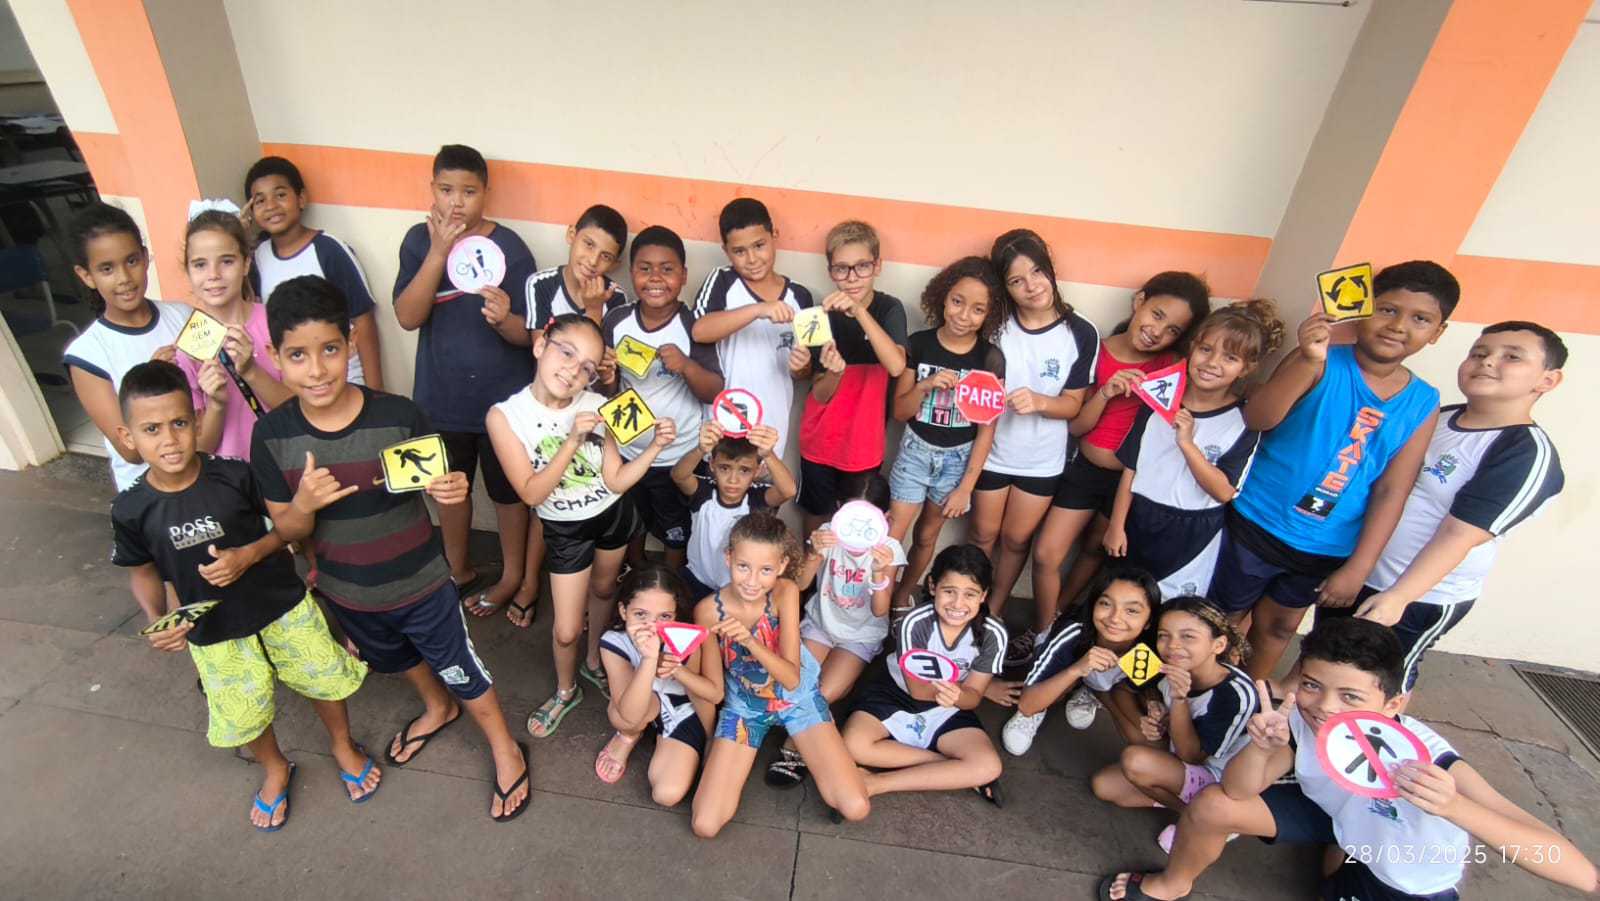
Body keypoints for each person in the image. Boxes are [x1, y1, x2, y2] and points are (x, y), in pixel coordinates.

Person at [250, 275, 530, 822]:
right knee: (395, 658)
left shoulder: (398, 416)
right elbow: (286, 529)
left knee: (459, 665)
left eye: (330, 349)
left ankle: (504, 746)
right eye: (298, 355)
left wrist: (451, 490)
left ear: (351, 343)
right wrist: (304, 504)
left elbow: (440, 484)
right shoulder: (273, 437)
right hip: (348, 592)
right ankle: (437, 708)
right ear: (275, 356)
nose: (317, 369)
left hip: (422, 582)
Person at [1098, 617, 1600, 901]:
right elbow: (1235, 791)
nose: (1326, 708)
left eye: (1351, 697)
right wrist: (1262, 746)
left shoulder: (1430, 758)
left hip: (1406, 880)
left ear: (1393, 705)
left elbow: (1575, 869)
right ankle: (1172, 885)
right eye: (1313, 685)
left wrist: (1454, 807)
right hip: (1340, 821)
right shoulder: (1300, 718)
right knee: (1212, 806)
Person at [110, 360, 375, 831]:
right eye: (151, 429)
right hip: (214, 629)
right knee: (244, 709)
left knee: (321, 676)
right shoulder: (130, 509)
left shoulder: (235, 475)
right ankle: (274, 766)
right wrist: (157, 619)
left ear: (196, 420)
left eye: (178, 423)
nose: (169, 440)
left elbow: (287, 529)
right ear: (127, 436)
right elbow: (142, 571)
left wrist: (250, 554)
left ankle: (342, 743)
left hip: (281, 603)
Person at [1220, 261, 1454, 680]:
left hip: (1325, 547)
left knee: (1280, 628)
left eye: (1420, 319)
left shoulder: (1424, 401)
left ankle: (1249, 699)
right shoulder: (1319, 361)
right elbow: (1258, 418)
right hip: (1255, 522)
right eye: (1387, 309)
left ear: (1438, 332)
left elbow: (1393, 489)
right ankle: (1200, 695)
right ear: (1363, 308)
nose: (1398, 325)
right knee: (1222, 618)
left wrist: (1359, 567)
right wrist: (1307, 359)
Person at [1332, 321, 1566, 692]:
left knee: (1378, 684)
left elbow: (1459, 534)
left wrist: (1399, 597)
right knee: (1329, 660)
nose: (1487, 361)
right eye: (1479, 353)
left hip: (1417, 596)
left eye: (1512, 357)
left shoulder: (1525, 453)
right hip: (1360, 569)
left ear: (1548, 380)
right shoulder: (1437, 416)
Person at [487, 313, 677, 731]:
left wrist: (654, 448)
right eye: (567, 353)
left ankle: (593, 660)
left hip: (612, 515)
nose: (574, 370)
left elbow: (616, 480)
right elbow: (532, 494)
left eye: (588, 367)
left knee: (605, 589)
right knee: (566, 629)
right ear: (541, 345)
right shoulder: (504, 417)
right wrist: (572, 440)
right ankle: (565, 690)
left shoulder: (596, 404)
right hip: (565, 529)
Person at [1029, 272, 1210, 655]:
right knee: (1046, 553)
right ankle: (1044, 634)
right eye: (1157, 314)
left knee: (1096, 553)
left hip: (1133, 483)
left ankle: (1064, 619)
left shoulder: (1173, 366)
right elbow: (1077, 426)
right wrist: (1106, 393)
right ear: (1139, 301)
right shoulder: (1097, 347)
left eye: (1173, 329)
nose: (1158, 332)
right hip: (1085, 470)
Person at [392, 144, 538, 620]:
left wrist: (505, 319)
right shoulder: (418, 241)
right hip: (442, 399)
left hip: (504, 404)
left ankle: (512, 574)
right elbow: (407, 316)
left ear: (486, 193)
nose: (457, 202)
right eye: (447, 190)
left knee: (508, 493)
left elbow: (529, 334)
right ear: (432, 190)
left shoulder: (510, 247)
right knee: (449, 489)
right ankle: (457, 569)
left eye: (469, 192)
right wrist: (438, 252)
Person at [689, 512, 869, 837]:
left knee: (855, 807)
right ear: (728, 558)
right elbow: (715, 690)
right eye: (743, 566)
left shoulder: (785, 592)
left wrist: (750, 642)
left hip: (798, 700)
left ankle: (847, 768)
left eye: (765, 570)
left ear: (782, 566)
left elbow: (792, 679)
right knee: (705, 824)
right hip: (745, 708)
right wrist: (708, 740)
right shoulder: (707, 611)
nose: (752, 580)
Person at [967, 229, 1100, 666]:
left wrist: (1040, 402)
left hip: (1042, 461)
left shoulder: (1081, 332)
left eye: (1037, 271)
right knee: (982, 535)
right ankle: (968, 607)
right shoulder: (997, 325)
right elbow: (976, 385)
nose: (1031, 286)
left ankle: (992, 612)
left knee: (1016, 540)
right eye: (1016, 280)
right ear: (1004, 287)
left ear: (1050, 269)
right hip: (991, 450)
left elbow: (1074, 405)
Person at [1103, 300, 1285, 599]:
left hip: (1192, 531)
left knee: (1173, 606)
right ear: (1192, 347)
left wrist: (1187, 444)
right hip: (1139, 517)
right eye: (1206, 349)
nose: (1212, 362)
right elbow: (1130, 469)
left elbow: (1224, 491)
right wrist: (1116, 525)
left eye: (1230, 357)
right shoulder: (1158, 400)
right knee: (1125, 597)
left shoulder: (1243, 421)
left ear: (1247, 368)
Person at [765, 472, 906, 788]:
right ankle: (805, 730)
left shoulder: (889, 550)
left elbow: (880, 610)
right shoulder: (827, 534)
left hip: (860, 636)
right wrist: (814, 554)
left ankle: (793, 743)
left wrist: (879, 573)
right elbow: (800, 585)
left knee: (825, 691)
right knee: (795, 682)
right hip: (820, 624)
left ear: (884, 519)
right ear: (840, 509)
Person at [885, 256, 1008, 617]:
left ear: (989, 315)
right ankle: (877, 602)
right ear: (942, 297)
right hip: (915, 452)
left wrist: (966, 487)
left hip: (957, 460)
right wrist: (925, 385)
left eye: (977, 309)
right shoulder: (919, 344)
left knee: (927, 536)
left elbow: (987, 429)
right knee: (893, 534)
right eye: (957, 301)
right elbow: (899, 412)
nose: (963, 315)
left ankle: (901, 598)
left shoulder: (990, 358)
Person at [843, 544, 1008, 806]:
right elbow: (918, 690)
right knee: (853, 745)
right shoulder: (914, 622)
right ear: (932, 586)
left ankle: (875, 783)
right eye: (949, 591)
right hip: (897, 694)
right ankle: (949, 768)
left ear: (984, 596)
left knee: (988, 766)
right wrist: (958, 693)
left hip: (948, 705)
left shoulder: (993, 634)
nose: (958, 604)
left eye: (970, 594)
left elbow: (974, 696)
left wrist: (959, 697)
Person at [1090, 598, 1258, 854]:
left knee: (1135, 761)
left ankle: (1211, 820)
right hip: (1179, 757)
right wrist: (1149, 710)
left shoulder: (1235, 695)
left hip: (1221, 781)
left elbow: (1193, 756)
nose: (1173, 646)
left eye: (1188, 636)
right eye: (1163, 635)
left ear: (1218, 644)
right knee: (1104, 786)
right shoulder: (1164, 660)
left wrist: (1179, 700)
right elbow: (1121, 690)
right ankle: (1195, 813)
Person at [602, 225, 724, 578]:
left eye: (667, 269)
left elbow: (714, 390)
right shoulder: (617, 320)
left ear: (683, 275)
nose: (655, 278)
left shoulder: (693, 326)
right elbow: (605, 389)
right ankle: (634, 571)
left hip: (677, 453)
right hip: (628, 450)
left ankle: (672, 583)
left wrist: (686, 366)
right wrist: (607, 377)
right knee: (632, 518)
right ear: (631, 273)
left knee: (676, 527)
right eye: (645, 268)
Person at [788, 221, 908, 534]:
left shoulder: (889, 309)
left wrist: (859, 312)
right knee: (817, 521)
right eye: (842, 269)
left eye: (862, 266)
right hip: (820, 442)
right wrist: (835, 372)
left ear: (877, 266)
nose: (852, 277)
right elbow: (819, 394)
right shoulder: (820, 316)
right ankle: (812, 570)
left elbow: (896, 366)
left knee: (857, 525)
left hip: (864, 446)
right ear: (830, 271)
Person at [62, 203, 189, 491]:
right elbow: (130, 451)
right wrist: (153, 379)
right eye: (107, 268)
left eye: (131, 261)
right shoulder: (87, 356)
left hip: (207, 471)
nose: (124, 278)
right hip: (152, 494)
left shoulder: (183, 315)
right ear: (86, 275)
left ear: (145, 257)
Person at [244, 155, 383, 389]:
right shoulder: (257, 257)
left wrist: (376, 392)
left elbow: (363, 320)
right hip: (297, 386)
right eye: (260, 200)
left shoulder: (328, 249)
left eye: (280, 195)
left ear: (301, 198)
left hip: (346, 379)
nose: (271, 206)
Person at [691, 198, 814, 461]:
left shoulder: (800, 297)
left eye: (759, 245)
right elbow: (700, 331)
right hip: (722, 427)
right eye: (739, 251)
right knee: (719, 484)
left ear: (774, 236)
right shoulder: (722, 281)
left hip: (771, 430)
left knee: (765, 486)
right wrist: (758, 309)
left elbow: (803, 374)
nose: (752, 259)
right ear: (726, 251)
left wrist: (801, 366)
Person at [593, 564, 720, 805]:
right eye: (641, 614)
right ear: (623, 611)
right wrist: (649, 660)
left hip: (682, 709)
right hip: (640, 707)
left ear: (676, 615)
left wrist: (710, 740)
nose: (651, 626)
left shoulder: (689, 637)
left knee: (665, 793)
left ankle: (664, 737)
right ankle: (628, 737)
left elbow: (712, 696)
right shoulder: (614, 642)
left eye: (664, 617)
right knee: (623, 719)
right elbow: (629, 714)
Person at [1001, 566, 1158, 755]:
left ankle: (1091, 690)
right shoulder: (1073, 633)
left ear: (1149, 621)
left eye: (1131, 610)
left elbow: (1138, 688)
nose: (1115, 618)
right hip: (1067, 662)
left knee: (1140, 735)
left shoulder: (1149, 648)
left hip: (1106, 681)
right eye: (1106, 604)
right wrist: (1077, 669)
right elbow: (1027, 705)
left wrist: (1153, 703)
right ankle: (1042, 709)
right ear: (1093, 605)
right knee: (1054, 691)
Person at [175, 209, 292, 459]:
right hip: (231, 473)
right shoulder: (187, 348)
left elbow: (299, 410)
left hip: (285, 463)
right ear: (188, 271)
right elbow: (201, 448)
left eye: (227, 261)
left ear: (246, 263)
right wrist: (217, 403)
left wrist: (251, 371)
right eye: (200, 264)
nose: (213, 275)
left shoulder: (276, 321)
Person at [672, 420, 797, 600]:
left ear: (757, 471)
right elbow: (679, 476)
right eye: (725, 468)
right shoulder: (704, 492)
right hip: (697, 578)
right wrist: (700, 449)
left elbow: (788, 491)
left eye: (744, 470)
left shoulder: (756, 498)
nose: (733, 479)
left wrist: (768, 454)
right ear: (712, 465)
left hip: (739, 586)